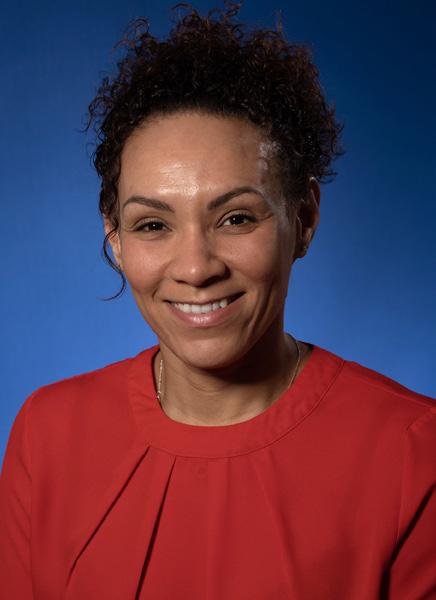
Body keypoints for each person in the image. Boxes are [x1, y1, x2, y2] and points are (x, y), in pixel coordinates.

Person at [1, 3, 435, 599]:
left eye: (236, 218)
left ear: (304, 219)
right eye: (153, 225)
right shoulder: (47, 433)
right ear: (115, 238)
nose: (196, 268)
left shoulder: (414, 452)